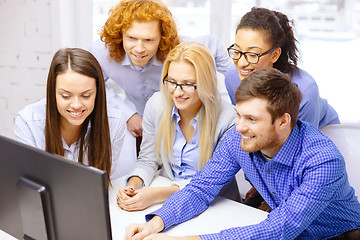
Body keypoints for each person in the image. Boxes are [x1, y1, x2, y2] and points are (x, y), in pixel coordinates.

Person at [124, 68, 360, 240]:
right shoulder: (240, 139)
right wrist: (156, 223)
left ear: (283, 121)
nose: (239, 127)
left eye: (251, 119)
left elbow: (282, 228)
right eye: (238, 115)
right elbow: (201, 187)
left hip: (339, 235)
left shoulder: (322, 160)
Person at [224, 7, 340, 210]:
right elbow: (256, 128)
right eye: (237, 51)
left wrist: (274, 200)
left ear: (275, 54)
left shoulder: (305, 91)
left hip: (323, 131)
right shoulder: (233, 77)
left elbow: (295, 150)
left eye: (252, 54)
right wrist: (261, 185)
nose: (241, 62)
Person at [116, 42, 237, 211]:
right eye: (171, 81)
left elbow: (211, 182)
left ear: (206, 83)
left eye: (188, 84)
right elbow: (147, 160)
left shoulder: (230, 119)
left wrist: (155, 195)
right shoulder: (157, 104)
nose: (177, 92)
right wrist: (133, 185)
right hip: (168, 199)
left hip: (217, 205)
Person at [89, 0, 231, 142]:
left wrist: (240, 99)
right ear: (120, 35)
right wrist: (128, 114)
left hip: (180, 121)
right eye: (131, 38)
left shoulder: (179, 48)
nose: (139, 49)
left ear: (162, 38)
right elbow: (93, 85)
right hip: (137, 122)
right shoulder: (101, 52)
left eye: (149, 40)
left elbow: (214, 45)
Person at [14, 48, 126, 185]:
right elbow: (27, 183)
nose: (76, 105)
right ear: (52, 91)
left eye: (86, 95)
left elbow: (102, 179)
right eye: (66, 96)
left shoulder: (114, 122)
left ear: (98, 92)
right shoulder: (28, 121)